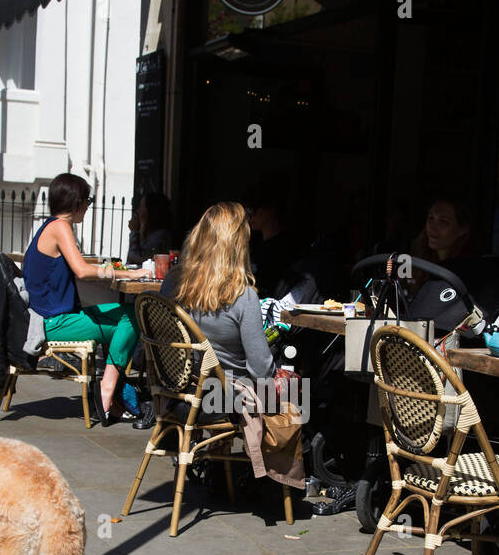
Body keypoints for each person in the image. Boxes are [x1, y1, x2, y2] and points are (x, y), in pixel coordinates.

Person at [171, 202, 304, 488]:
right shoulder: (243, 296)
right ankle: (278, 481)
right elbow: (260, 369)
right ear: (237, 244)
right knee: (295, 389)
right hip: (217, 399)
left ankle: (221, 467)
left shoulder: (180, 286)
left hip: (179, 393)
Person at [24, 172, 150, 425]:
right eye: (88, 201)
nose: (88, 207)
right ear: (77, 201)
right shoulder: (60, 227)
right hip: (55, 322)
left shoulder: (48, 226)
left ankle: (113, 392)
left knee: (127, 315)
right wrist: (129, 273)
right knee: (133, 316)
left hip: (53, 316)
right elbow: (81, 269)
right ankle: (108, 388)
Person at [125, 192, 173, 266]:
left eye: (141, 207)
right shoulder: (148, 233)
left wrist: (134, 232)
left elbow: (137, 258)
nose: (138, 211)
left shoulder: (160, 236)